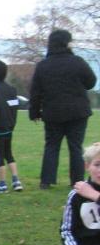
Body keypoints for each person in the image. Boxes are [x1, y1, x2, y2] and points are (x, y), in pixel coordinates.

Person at [29, 29, 97, 189]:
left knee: (51, 146)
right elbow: (91, 82)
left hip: (53, 112)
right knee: (75, 147)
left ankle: (46, 180)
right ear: (66, 43)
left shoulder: (43, 66)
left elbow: (35, 91)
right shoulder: (77, 62)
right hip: (77, 111)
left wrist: (34, 112)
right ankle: (77, 181)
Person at [57, 142, 100, 245]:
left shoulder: (90, 193)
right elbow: (66, 230)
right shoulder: (76, 195)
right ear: (87, 166)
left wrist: (95, 196)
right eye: (97, 165)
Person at [0, 61, 23, 193]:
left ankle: (2, 185)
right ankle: (16, 181)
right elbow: (14, 107)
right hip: (9, 126)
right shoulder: (12, 89)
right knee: (9, 153)